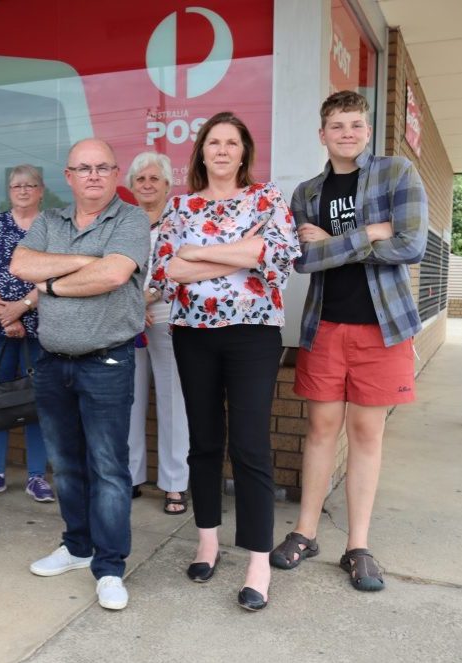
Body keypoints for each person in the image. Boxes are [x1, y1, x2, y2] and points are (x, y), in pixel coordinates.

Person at [271, 90, 428, 592]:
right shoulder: (307, 192)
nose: (348, 134)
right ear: (323, 133)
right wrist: (370, 233)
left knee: (366, 435)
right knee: (319, 431)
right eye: (338, 126)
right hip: (326, 325)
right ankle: (306, 531)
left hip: (383, 328)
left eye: (356, 125)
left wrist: (338, 242)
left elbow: (411, 244)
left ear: (367, 129)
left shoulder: (396, 173)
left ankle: (357, 545)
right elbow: (302, 260)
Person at [150, 112, 300, 611]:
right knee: (205, 441)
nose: (221, 150)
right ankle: (208, 539)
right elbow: (168, 266)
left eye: (231, 142)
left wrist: (203, 251)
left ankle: (258, 558)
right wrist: (242, 250)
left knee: (252, 444)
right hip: (193, 334)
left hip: (253, 334)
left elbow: (279, 256)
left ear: (244, 151)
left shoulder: (267, 198)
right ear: (201, 151)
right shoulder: (180, 204)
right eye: (213, 142)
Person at [10, 138, 148, 611]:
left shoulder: (130, 219)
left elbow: (113, 276)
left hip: (106, 361)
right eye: (83, 168)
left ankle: (109, 567)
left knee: (108, 469)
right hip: (52, 362)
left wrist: (50, 284)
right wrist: (84, 263)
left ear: (115, 174)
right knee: (65, 466)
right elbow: (20, 264)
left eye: (102, 168)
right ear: (68, 177)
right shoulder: (50, 220)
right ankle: (77, 546)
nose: (92, 175)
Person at [0, 165, 53, 503]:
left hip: (41, 327)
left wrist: (21, 307)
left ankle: (37, 476)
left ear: (41, 190)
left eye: (30, 185)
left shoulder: (53, 227)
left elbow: (57, 276)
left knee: (39, 403)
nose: (22, 190)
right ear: (9, 191)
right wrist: (4, 314)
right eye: (16, 185)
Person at [125, 152, 189, 513]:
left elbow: (180, 268)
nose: (147, 185)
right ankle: (131, 476)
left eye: (154, 179)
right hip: (128, 322)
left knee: (172, 403)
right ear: (132, 186)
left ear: (168, 184)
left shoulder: (180, 220)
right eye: (140, 179)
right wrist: (132, 305)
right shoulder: (123, 221)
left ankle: (174, 483)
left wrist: (146, 300)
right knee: (129, 402)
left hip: (166, 317)